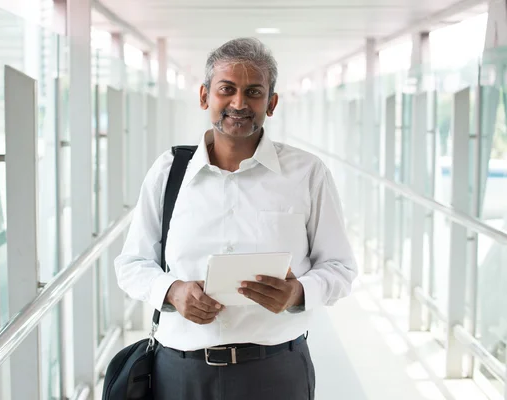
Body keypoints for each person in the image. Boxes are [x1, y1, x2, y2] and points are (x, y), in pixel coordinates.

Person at [114, 37, 357, 400]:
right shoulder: (168, 172)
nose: (239, 103)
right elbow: (131, 265)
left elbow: (341, 268)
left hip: (277, 372)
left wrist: (297, 293)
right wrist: (172, 291)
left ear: (271, 103)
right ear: (204, 96)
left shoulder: (307, 173)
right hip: (181, 373)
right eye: (226, 89)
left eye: (254, 92)